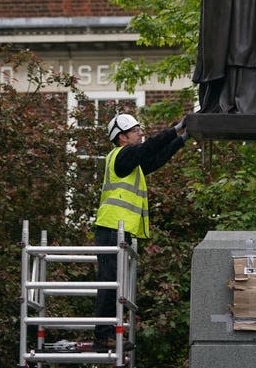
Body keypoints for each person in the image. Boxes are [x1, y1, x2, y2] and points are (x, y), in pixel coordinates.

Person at [93, 112, 187, 352]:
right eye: (135, 131)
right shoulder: (122, 156)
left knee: (116, 283)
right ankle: (103, 337)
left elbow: (155, 159)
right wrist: (175, 129)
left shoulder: (130, 163)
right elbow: (149, 149)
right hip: (113, 227)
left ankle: (108, 334)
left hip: (118, 230)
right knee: (110, 282)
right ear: (122, 138)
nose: (140, 133)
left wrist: (181, 139)